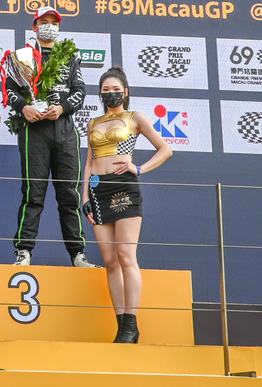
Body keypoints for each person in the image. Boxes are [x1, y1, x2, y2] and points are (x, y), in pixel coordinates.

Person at [81, 67, 173, 343]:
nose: (110, 94)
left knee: (125, 256)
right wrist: (84, 197)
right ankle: (122, 325)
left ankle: (131, 324)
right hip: (97, 191)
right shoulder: (93, 122)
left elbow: (166, 149)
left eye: (115, 89)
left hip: (124, 188)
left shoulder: (135, 118)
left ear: (126, 91)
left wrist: (139, 168)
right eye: (105, 90)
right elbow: (89, 163)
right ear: (100, 94)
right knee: (110, 262)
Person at [8, 5, 96, 268]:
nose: (49, 26)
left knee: (69, 196)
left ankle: (78, 254)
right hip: (34, 132)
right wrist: (24, 108)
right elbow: (9, 90)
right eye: (44, 22)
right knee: (33, 195)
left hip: (65, 132)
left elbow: (80, 91)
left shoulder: (70, 57)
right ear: (34, 26)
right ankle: (23, 252)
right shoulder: (22, 56)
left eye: (54, 22)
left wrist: (63, 107)